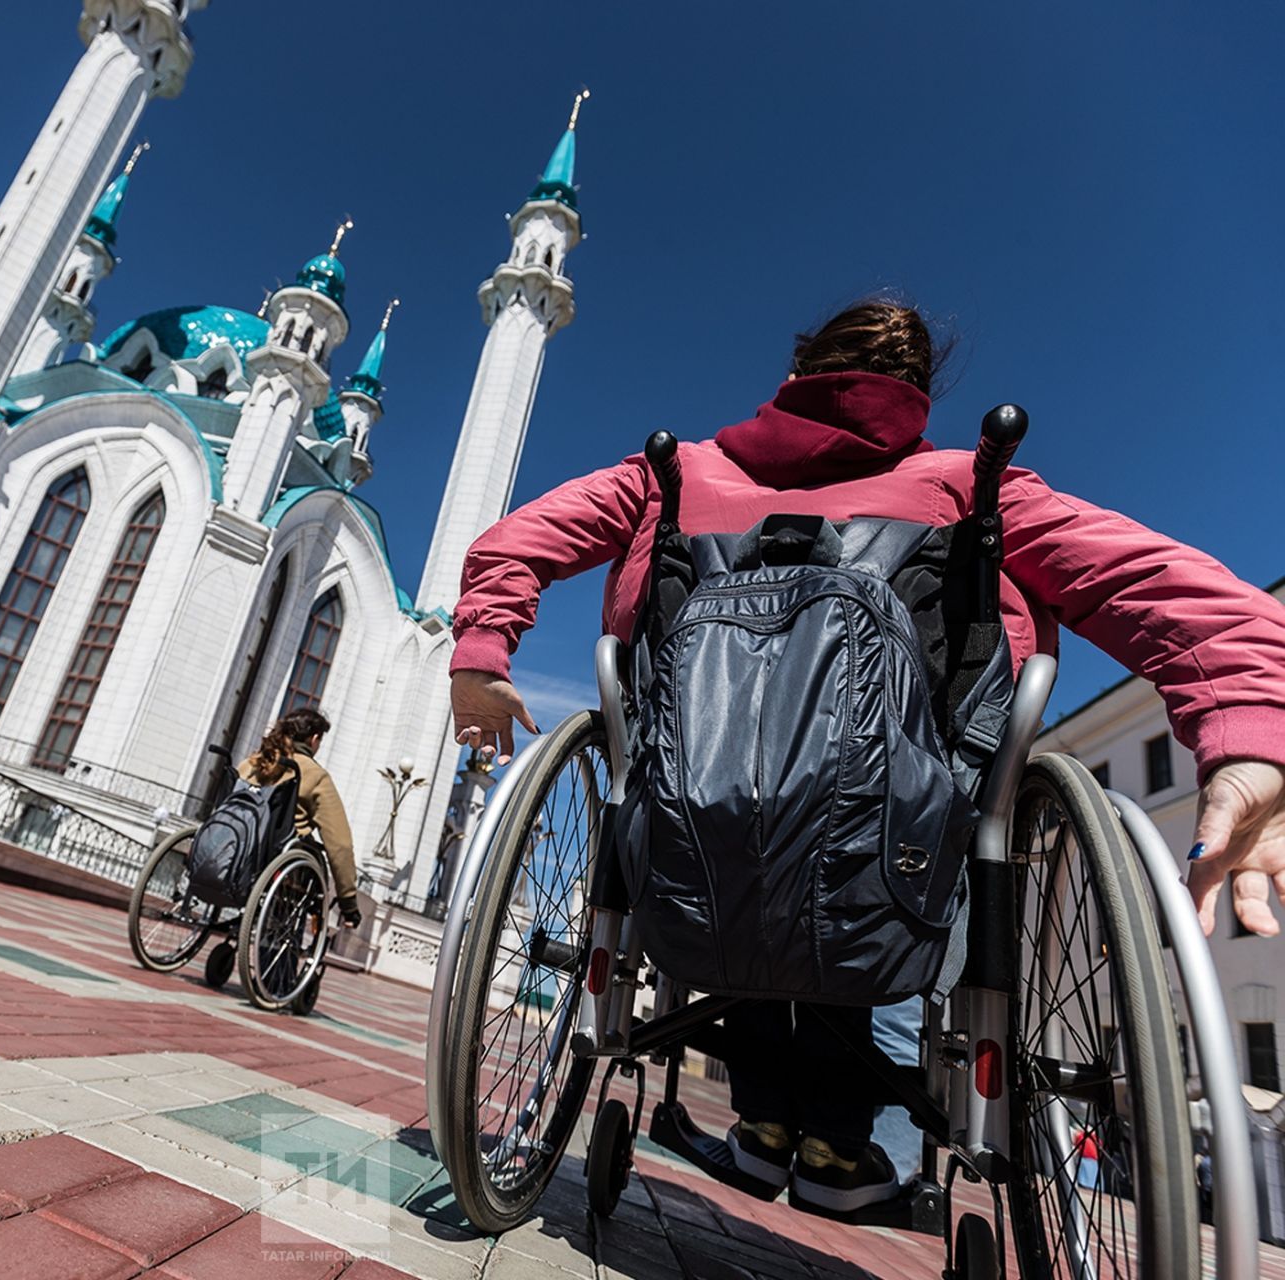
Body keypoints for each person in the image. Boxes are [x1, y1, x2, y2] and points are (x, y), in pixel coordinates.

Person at [446, 298, 1285, 1211]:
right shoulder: (972, 484)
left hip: (685, 844)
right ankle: (843, 1152)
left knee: (747, 819)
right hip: (894, 864)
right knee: (880, 825)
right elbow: (1160, 587)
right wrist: (1252, 723)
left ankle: (764, 1128)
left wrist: (485, 652)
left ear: (799, 371)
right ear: (918, 391)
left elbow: (515, 540)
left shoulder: (675, 475)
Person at [241, 708, 363, 932]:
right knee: (310, 862)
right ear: (314, 739)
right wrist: (348, 902)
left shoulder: (253, 762)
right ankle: (279, 951)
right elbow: (340, 844)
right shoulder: (314, 775)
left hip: (237, 854)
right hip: (279, 866)